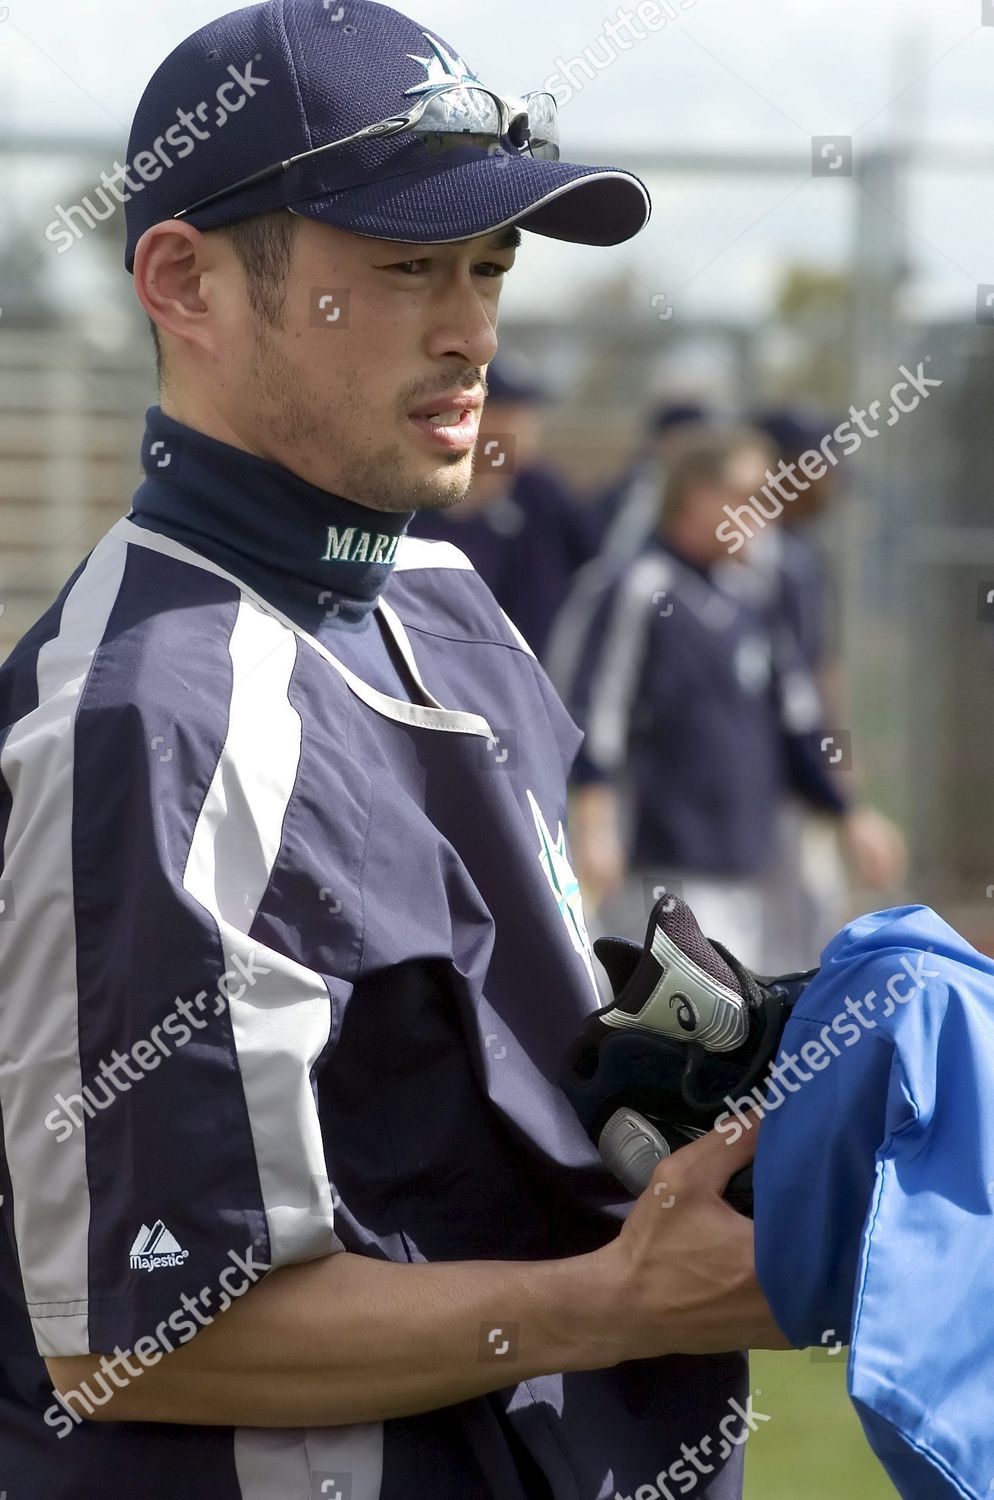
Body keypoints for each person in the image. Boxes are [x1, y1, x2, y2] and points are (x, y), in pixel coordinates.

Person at [0, 4, 789, 1498]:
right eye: (408, 265)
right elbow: (143, 1331)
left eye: (489, 268)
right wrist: (623, 1297)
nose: (473, 329)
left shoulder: (433, 581)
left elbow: (458, 1089)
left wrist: (731, 1099)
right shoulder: (143, 716)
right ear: (185, 280)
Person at [563, 427, 875, 970]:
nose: (766, 509)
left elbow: (800, 723)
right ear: (698, 496)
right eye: (749, 492)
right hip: (659, 867)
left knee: (749, 1031)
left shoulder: (753, 595)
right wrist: (594, 828)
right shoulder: (637, 586)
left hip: (750, 865)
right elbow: (594, 716)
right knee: (668, 1035)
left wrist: (853, 813)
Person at [408, 356, 597, 662]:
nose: (529, 422)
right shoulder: (425, 492)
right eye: (513, 411)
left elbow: (594, 569)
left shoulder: (539, 490)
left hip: (541, 674)